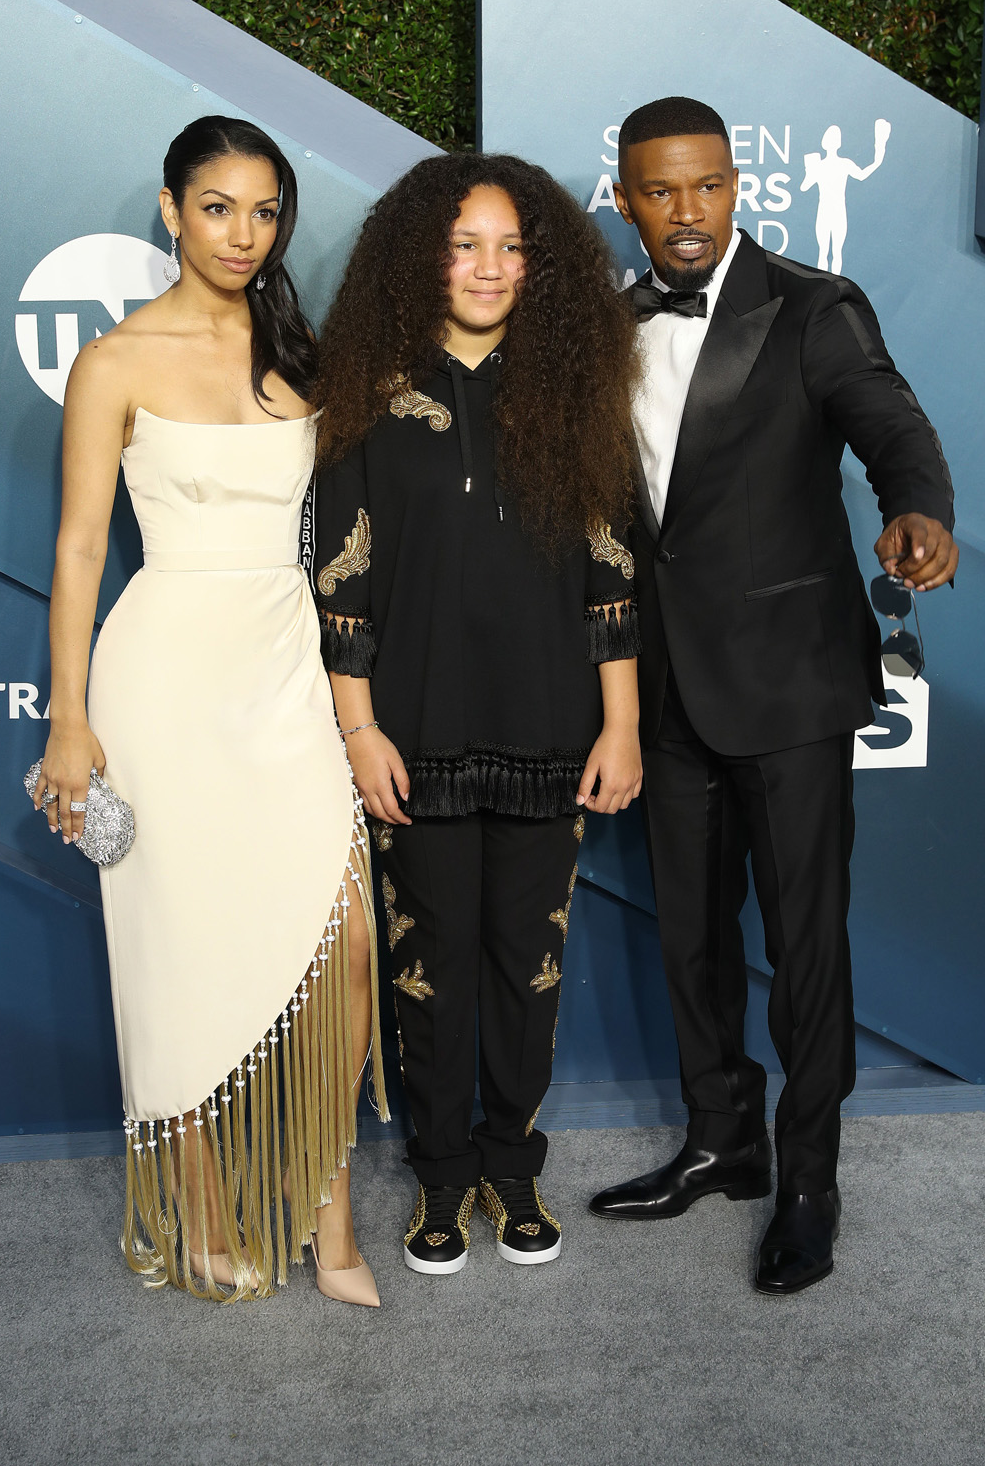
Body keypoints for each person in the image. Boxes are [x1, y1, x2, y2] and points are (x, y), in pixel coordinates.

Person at [588, 97, 957, 1294]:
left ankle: (808, 1178)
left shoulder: (811, 307)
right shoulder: (603, 322)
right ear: (626, 197)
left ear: (736, 185)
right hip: (663, 686)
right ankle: (720, 1140)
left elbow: (890, 429)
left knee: (804, 948)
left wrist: (919, 511)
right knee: (688, 937)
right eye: (659, 191)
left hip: (790, 682)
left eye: (704, 187)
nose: (684, 214)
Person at [32, 115, 387, 1305]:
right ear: (173, 212)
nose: (243, 233)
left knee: (340, 953)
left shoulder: (302, 353)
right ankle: (195, 1217)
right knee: (176, 957)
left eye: (266, 211)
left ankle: (329, 1223)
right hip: (164, 677)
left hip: (283, 669)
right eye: (219, 207)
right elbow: (82, 548)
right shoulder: (116, 362)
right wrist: (69, 721)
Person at [310, 151, 642, 1274]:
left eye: (511, 246)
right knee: (430, 963)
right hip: (414, 733)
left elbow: (611, 574)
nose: (490, 267)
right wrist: (358, 729)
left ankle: (513, 1164)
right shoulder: (365, 389)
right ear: (421, 255)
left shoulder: (575, 389)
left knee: (527, 961)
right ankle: (441, 1181)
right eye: (465, 244)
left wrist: (622, 723)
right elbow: (341, 588)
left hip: (556, 730)